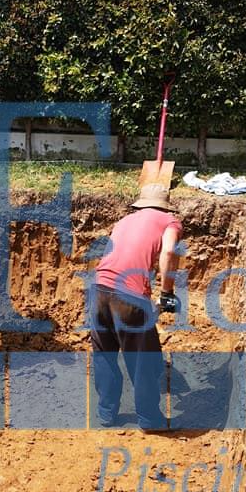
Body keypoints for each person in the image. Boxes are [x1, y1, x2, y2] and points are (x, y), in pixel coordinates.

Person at [90, 183, 182, 430]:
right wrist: (166, 292)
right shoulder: (170, 221)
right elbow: (170, 252)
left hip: (98, 290)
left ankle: (106, 414)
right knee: (143, 358)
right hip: (129, 296)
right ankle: (150, 419)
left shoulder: (124, 220)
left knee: (104, 354)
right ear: (166, 205)